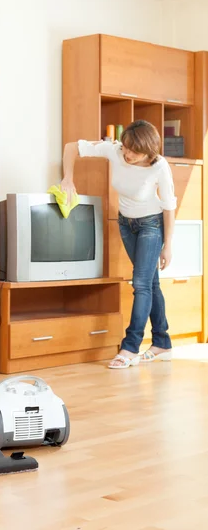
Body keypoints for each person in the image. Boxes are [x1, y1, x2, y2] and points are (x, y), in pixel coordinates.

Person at [61, 120, 176, 369]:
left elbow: (168, 207)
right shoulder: (115, 150)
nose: (127, 154)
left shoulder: (160, 167)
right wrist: (67, 178)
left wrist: (168, 245)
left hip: (151, 225)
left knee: (141, 284)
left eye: (134, 151)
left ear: (149, 151)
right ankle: (162, 342)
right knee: (150, 283)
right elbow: (72, 147)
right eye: (125, 148)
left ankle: (130, 347)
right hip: (126, 223)